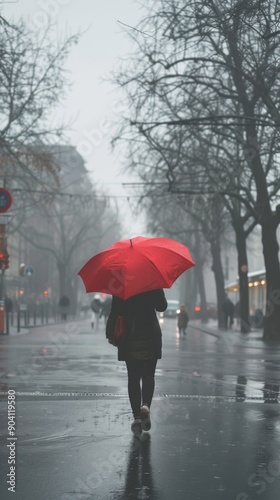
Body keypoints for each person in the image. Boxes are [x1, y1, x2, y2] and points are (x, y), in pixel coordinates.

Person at [106, 288, 167, 434]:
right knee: (148, 374)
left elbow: (115, 310)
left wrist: (110, 333)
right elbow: (162, 306)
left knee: (133, 377)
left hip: (129, 336)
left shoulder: (122, 284)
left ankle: (137, 418)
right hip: (151, 334)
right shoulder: (153, 282)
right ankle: (145, 405)